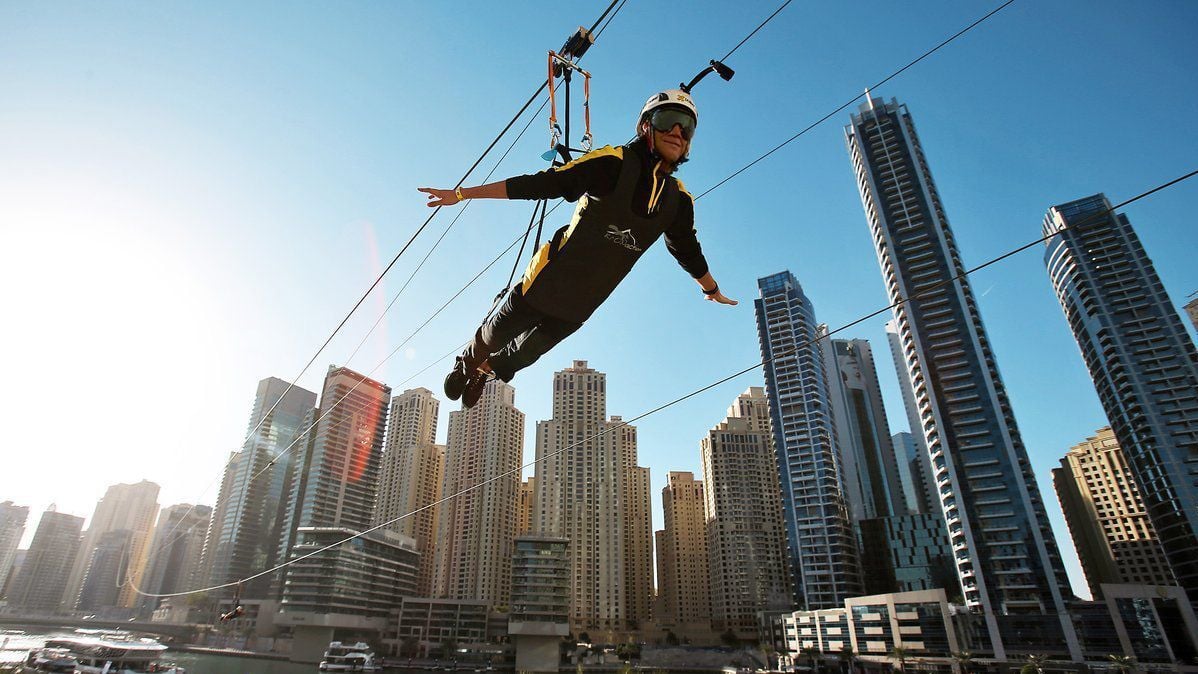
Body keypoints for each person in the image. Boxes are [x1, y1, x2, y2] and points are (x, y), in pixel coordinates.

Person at [418, 89, 737, 408]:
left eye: (687, 127)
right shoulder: (612, 163)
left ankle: (485, 371)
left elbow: (687, 249)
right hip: (546, 280)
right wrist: (461, 194)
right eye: (668, 120)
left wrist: (711, 289)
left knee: (522, 356)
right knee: (492, 336)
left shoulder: (678, 201)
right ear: (645, 126)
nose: (677, 132)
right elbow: (542, 184)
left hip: (584, 302)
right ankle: (467, 363)